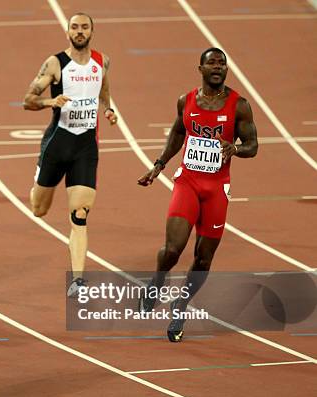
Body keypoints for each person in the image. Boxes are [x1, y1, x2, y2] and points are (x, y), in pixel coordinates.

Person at [137, 48, 258, 342]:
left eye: (222, 63)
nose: (217, 67)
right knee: (172, 250)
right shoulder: (186, 100)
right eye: (211, 63)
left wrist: (236, 149)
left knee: (203, 260)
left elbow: (253, 144)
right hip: (188, 182)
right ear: (200, 68)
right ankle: (156, 282)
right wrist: (158, 166)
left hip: (217, 188)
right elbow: (178, 133)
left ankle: (180, 306)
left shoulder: (239, 105)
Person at [23, 13, 118, 296]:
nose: (79, 31)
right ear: (67, 32)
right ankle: (39, 185)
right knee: (39, 209)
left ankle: (77, 280)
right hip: (57, 145)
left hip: (85, 147)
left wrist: (108, 109)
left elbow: (103, 87)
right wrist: (51, 100)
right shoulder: (55, 64)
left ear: (92, 31)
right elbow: (28, 100)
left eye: (84, 27)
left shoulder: (103, 61)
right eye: (74, 27)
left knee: (80, 214)